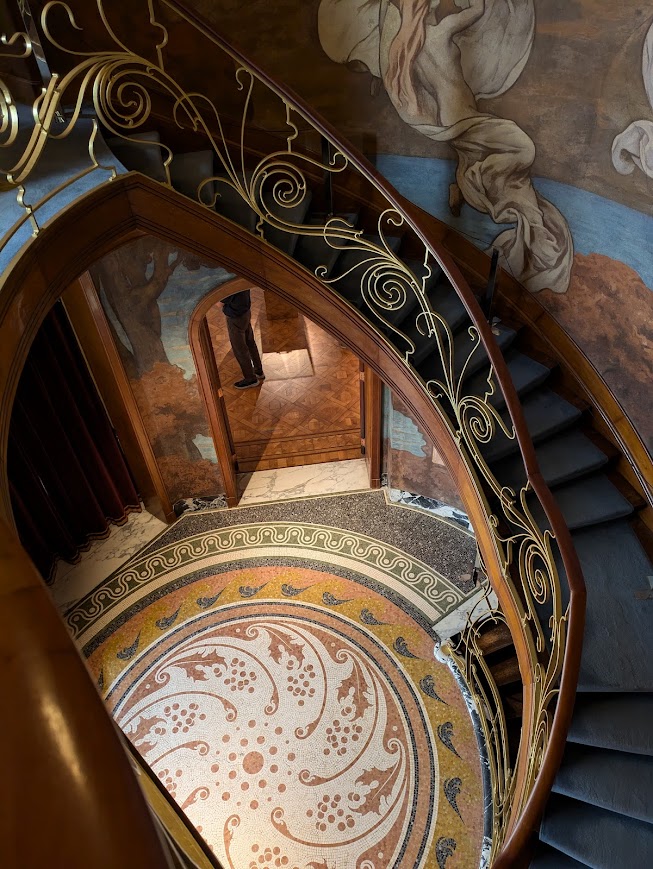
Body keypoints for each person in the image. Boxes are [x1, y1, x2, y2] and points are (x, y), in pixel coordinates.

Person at [221, 290, 265, 389]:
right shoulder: (240, 275)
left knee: (240, 349)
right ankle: (258, 370)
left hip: (235, 317)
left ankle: (250, 379)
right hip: (245, 312)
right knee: (250, 343)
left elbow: (222, 300)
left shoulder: (229, 282)